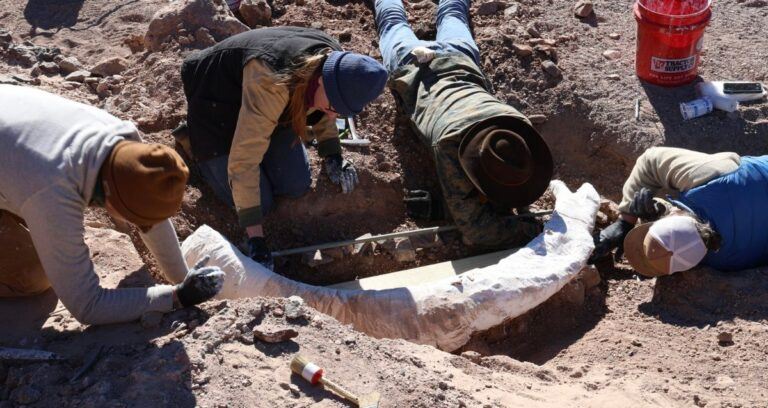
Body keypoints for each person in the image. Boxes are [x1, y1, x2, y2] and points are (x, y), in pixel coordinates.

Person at [0, 85, 224, 325]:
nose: (144, 224)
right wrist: (177, 297)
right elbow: (88, 305)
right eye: (138, 219)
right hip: (29, 165)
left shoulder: (123, 139)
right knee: (32, 276)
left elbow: (150, 211)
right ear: (111, 201)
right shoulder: (53, 190)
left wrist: (183, 276)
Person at [177, 27, 388, 269]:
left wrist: (332, 154)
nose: (334, 113)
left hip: (270, 107)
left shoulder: (337, 64)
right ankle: (194, 143)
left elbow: (327, 110)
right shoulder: (270, 78)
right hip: (216, 108)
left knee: (296, 184)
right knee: (261, 205)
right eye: (333, 106)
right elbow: (244, 160)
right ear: (321, 79)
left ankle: (262, 135)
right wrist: (256, 240)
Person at [372, 0, 553, 249]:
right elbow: (477, 231)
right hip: (412, 66)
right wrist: (534, 230)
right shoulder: (449, 145)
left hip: (459, 58)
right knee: (391, 21)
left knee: (452, 12)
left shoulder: (517, 125)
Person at [591, 146, 768, 277]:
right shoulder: (714, 177)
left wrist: (627, 220)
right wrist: (627, 220)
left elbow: (650, 161)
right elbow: (651, 160)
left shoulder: (728, 262)